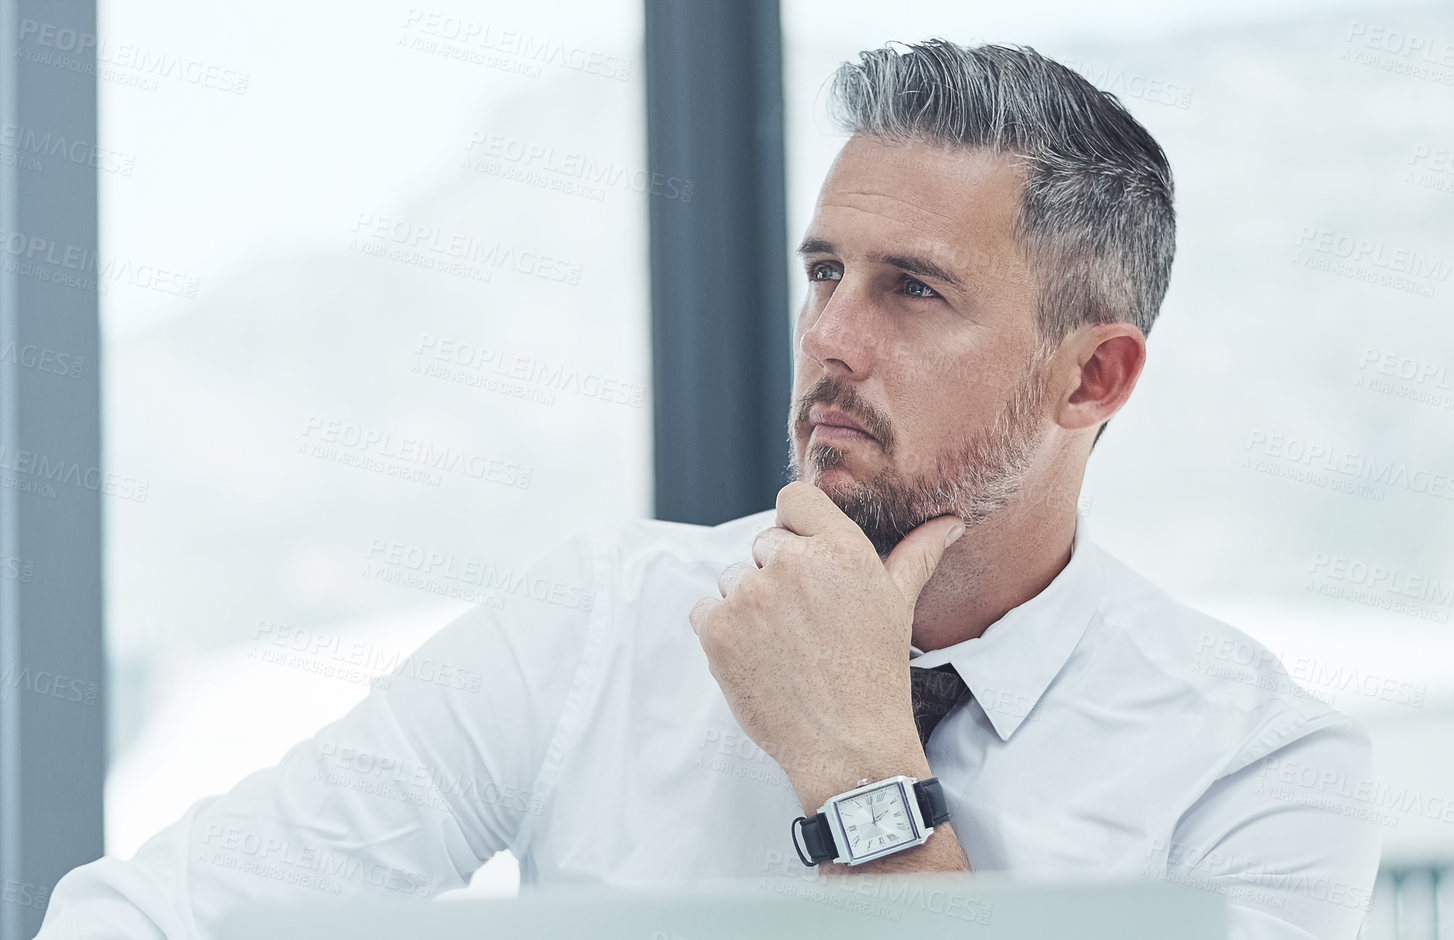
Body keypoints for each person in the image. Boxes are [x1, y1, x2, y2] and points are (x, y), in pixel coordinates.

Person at [39, 39, 1383, 940]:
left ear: (1092, 378)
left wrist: (856, 766)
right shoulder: (605, 619)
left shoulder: (1256, 772)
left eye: (911, 289)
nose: (832, 339)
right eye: (824, 274)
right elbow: (149, 915)